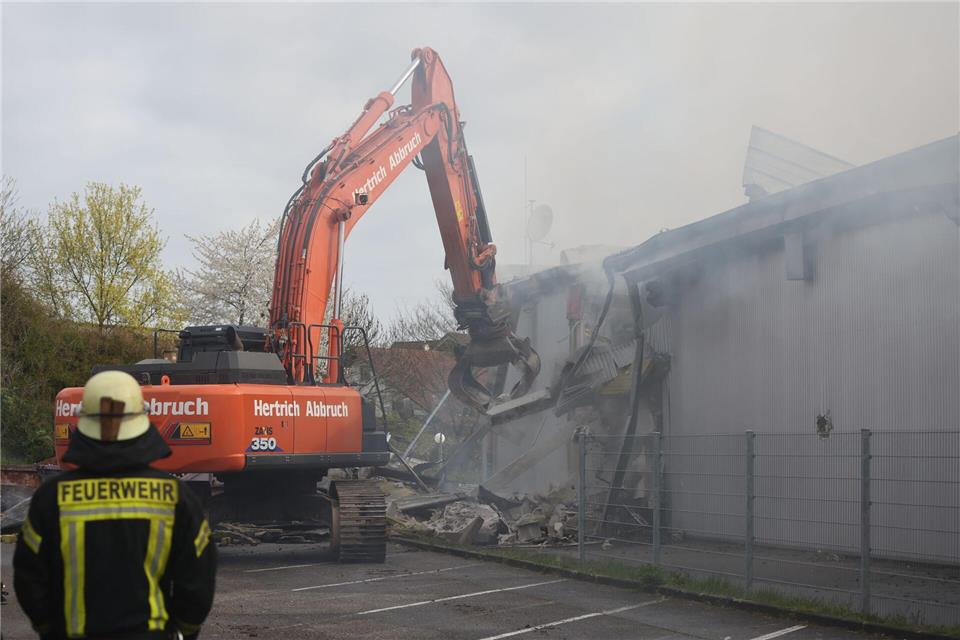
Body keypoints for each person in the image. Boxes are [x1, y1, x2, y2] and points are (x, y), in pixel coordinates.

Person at [14, 370, 216, 640]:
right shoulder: (174, 497)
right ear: (141, 422)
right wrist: (184, 632)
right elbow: (197, 580)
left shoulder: (52, 498)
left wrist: (50, 629)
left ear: (84, 423)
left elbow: (29, 578)